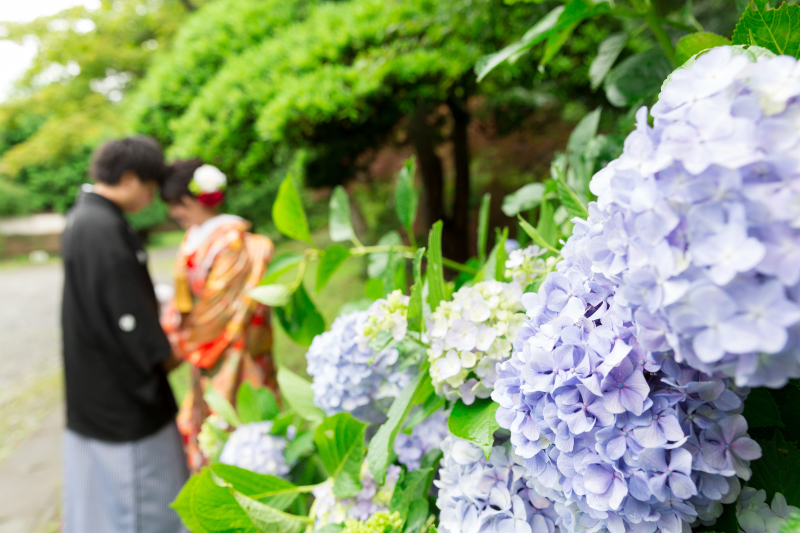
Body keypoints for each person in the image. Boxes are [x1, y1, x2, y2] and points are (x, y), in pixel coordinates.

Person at [61, 136, 188, 533]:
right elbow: (126, 315)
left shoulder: (87, 218)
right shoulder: (101, 228)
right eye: (150, 189)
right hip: (121, 394)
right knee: (142, 503)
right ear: (130, 178)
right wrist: (167, 354)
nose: (150, 200)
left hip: (96, 385)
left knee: (108, 503)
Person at [160, 159, 276, 471]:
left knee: (238, 423)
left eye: (176, 205)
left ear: (194, 199)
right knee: (210, 419)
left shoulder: (231, 240)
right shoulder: (195, 237)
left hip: (229, 347)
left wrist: (176, 341)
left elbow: (219, 309)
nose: (174, 214)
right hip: (202, 348)